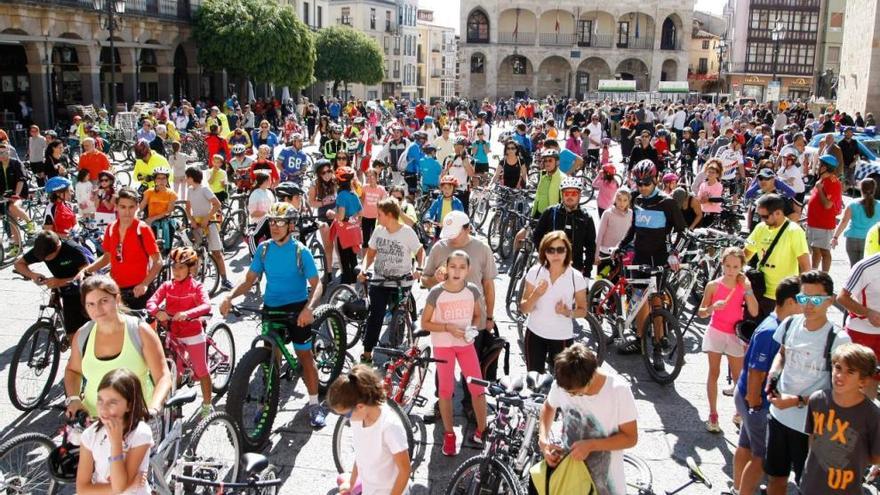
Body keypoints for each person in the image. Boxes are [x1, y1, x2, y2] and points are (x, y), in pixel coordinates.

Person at [220, 202, 327, 427]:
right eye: (271, 222)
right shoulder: (264, 249)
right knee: (270, 360)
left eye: (279, 222)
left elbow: (317, 284)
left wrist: (309, 308)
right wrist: (230, 296)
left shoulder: (301, 251)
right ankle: (267, 402)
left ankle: (315, 404)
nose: (274, 226)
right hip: (271, 309)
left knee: (305, 357)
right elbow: (250, 279)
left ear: (290, 225)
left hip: (297, 309)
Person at [764, 270, 852, 495]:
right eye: (804, 298)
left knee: (810, 486)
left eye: (816, 299)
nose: (809, 305)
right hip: (779, 416)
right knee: (775, 479)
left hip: (812, 427)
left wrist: (796, 401)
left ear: (830, 300)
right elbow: (782, 354)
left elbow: (841, 390)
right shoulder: (791, 323)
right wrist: (772, 377)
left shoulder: (839, 339)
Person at [64, 275, 172, 419]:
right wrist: (74, 399)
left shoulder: (140, 332)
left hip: (136, 419)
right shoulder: (83, 334)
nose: (98, 309)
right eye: (91, 304)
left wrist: (154, 408)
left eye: (104, 301)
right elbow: (73, 370)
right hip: (93, 420)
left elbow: (163, 376)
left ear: (117, 299)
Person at [536, 343, 638, 495]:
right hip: (568, 478)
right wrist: (543, 439)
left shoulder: (618, 390)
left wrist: (591, 445)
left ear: (591, 377)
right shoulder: (564, 383)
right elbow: (548, 407)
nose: (570, 396)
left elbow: (631, 438)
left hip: (605, 486)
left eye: (576, 393)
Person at [732, 277, 803, 495]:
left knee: (745, 445)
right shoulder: (771, 330)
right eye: (803, 300)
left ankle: (737, 489)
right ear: (790, 302)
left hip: (749, 398)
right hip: (756, 400)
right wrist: (755, 403)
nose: (807, 306)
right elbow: (757, 371)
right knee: (761, 457)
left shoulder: (778, 325)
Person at [420, 250, 489, 455]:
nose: (457, 271)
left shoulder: (473, 290)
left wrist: (472, 329)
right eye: (453, 266)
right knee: (445, 390)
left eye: (462, 267)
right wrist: (448, 327)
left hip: (465, 344)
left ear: (468, 270)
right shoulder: (437, 292)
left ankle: (482, 430)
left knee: (477, 387)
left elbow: (478, 317)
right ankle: (449, 435)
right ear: (446, 268)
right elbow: (425, 322)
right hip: (443, 344)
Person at [616, 160, 687, 355]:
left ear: (656, 180)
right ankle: (639, 340)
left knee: (656, 299)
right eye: (638, 183)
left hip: (659, 257)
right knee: (639, 298)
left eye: (646, 182)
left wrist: (674, 253)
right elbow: (634, 227)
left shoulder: (668, 202)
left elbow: (683, 231)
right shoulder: (636, 199)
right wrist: (621, 245)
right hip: (640, 255)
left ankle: (659, 341)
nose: (642, 187)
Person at [800, 343, 880, 495]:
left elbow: (876, 457)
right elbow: (812, 439)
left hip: (847, 489)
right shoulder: (818, 400)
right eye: (838, 367)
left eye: (850, 372)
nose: (840, 375)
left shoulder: (872, 415)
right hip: (811, 485)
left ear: (863, 381)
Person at [697, 247, 760, 433]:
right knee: (713, 372)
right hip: (716, 331)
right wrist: (712, 308)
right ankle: (713, 413)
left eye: (735, 266)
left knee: (738, 377)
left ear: (741, 266)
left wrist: (748, 289)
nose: (731, 270)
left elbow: (755, 311)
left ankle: (739, 412)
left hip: (734, 334)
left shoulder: (743, 286)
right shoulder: (713, 285)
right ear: (722, 264)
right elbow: (701, 312)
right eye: (727, 266)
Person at [146, 247, 213, 417]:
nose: (176, 271)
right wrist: (156, 312)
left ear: (191, 268)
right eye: (174, 267)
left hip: (192, 333)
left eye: (181, 267)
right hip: (173, 332)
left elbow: (206, 305)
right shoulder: (167, 286)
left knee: (201, 370)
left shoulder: (196, 286)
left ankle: (207, 404)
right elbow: (151, 302)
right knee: (172, 369)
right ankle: (171, 403)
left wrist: (187, 314)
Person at [358, 198, 425, 363]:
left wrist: (419, 268)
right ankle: (367, 354)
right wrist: (364, 268)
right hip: (380, 281)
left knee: (399, 316)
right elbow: (371, 253)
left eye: (379, 214)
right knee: (376, 316)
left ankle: (398, 352)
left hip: (401, 282)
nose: (377, 218)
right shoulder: (379, 230)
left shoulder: (407, 232)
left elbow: (420, 251)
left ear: (389, 215)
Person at [327, 365, 411, 495]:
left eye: (346, 414)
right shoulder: (358, 419)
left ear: (360, 406)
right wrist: (351, 483)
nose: (347, 419)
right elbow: (361, 455)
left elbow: (405, 471)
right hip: (370, 488)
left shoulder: (390, 426)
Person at [81, 188, 163, 310]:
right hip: (116, 290)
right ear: (116, 207)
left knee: (143, 328)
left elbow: (158, 262)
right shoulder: (111, 228)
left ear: (137, 207)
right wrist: (86, 271)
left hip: (138, 291)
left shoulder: (142, 229)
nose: (127, 212)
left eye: (131, 207)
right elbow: (107, 257)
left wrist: (144, 284)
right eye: (123, 207)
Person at [76, 368, 154, 495]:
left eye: (112, 402)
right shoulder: (90, 435)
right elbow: (82, 489)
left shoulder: (141, 434)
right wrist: (129, 485)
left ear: (129, 405)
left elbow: (119, 486)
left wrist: (116, 444)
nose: (103, 409)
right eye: (100, 400)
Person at [520, 231, 588, 373]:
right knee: (534, 381)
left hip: (562, 337)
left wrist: (567, 312)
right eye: (551, 250)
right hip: (535, 334)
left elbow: (583, 310)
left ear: (567, 251)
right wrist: (536, 294)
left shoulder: (576, 277)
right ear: (544, 252)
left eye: (560, 249)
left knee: (562, 385)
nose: (556, 254)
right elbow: (524, 308)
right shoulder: (535, 272)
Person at [744, 194, 811, 318]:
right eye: (760, 216)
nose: (762, 219)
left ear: (778, 213)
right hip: (758, 291)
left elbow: (805, 266)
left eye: (765, 216)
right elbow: (746, 254)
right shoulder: (760, 228)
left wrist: (802, 296)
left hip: (782, 297)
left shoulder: (794, 231)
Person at [15, 230, 89, 333]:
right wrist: (33, 275)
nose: (45, 259)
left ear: (58, 247)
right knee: (72, 333)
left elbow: (88, 276)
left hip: (82, 292)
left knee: (81, 333)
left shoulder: (73, 250)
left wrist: (60, 282)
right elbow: (19, 264)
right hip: (66, 291)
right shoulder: (43, 249)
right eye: (42, 258)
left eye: (47, 257)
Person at [532, 177, 596, 276]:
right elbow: (537, 236)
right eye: (566, 193)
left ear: (579, 196)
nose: (570, 197)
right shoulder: (551, 212)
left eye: (574, 193)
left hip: (574, 268)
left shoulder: (586, 218)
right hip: (549, 264)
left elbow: (590, 247)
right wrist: (543, 257)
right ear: (562, 195)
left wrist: (587, 273)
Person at [838, 252, 880, 400]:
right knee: (854, 384)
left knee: (873, 381)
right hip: (862, 334)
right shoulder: (866, 266)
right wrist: (868, 313)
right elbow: (842, 297)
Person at [184, 166, 232, 291]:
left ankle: (225, 280)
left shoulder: (204, 189)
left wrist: (207, 218)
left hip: (209, 223)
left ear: (192, 178)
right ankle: (195, 280)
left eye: (187, 177)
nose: (185, 179)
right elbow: (187, 208)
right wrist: (192, 220)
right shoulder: (189, 190)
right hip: (197, 225)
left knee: (217, 253)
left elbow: (217, 204)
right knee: (197, 253)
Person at [806, 154, 843, 272]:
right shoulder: (821, 180)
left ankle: (824, 275)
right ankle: (814, 272)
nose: (817, 166)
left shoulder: (833, 182)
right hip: (813, 222)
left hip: (824, 224)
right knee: (815, 249)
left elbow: (827, 205)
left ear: (825, 167)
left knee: (824, 251)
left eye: (819, 164)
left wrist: (820, 189)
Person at [833, 178, 880, 267]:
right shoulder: (879, 205)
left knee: (854, 267)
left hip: (852, 239)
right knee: (866, 268)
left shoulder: (852, 204)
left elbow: (844, 222)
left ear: (861, 189)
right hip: (870, 240)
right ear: (874, 190)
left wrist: (835, 237)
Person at [333, 166, 362, 284]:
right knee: (353, 257)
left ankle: (346, 283)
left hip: (344, 232)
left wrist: (332, 214)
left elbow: (340, 216)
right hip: (354, 230)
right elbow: (361, 213)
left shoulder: (341, 196)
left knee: (344, 258)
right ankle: (355, 281)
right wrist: (353, 220)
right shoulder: (353, 194)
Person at [138, 166, 177, 254]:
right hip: (151, 224)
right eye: (158, 178)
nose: (161, 181)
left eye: (164, 178)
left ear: (167, 180)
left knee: (166, 251)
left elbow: (169, 211)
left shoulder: (172, 194)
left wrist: (153, 218)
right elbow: (141, 207)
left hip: (166, 223)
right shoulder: (149, 192)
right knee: (150, 250)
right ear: (155, 180)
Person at [360, 168, 387, 249]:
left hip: (377, 218)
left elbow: (384, 203)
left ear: (377, 177)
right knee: (365, 240)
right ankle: (365, 259)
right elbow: (361, 201)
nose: (370, 179)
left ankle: (376, 258)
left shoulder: (381, 189)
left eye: (372, 176)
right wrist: (360, 216)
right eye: (368, 177)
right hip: (365, 217)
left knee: (377, 240)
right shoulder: (364, 187)